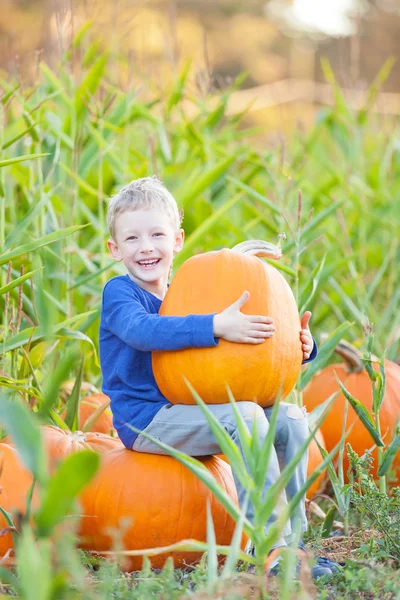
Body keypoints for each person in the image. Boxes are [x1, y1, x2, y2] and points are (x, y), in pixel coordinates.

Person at [99, 176, 338, 579]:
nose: (145, 247)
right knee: (245, 416)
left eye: (156, 234)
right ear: (114, 249)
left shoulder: (187, 292)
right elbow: (143, 331)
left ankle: (295, 545)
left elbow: (238, 354)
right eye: (132, 238)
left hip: (191, 409)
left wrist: (301, 346)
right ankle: (267, 546)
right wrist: (214, 325)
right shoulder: (120, 293)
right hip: (147, 421)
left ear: (177, 240)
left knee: (291, 419)